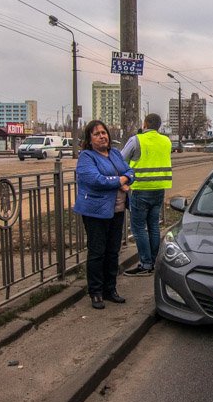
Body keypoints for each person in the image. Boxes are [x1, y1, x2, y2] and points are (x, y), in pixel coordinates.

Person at [73, 120, 134, 308]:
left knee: (113, 252)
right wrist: (120, 181)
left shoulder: (115, 153)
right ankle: (96, 292)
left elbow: (130, 171)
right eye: (97, 134)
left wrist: (126, 177)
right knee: (97, 252)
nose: (102, 136)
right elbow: (96, 180)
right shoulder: (86, 157)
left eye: (104, 132)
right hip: (96, 213)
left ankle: (110, 289)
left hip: (117, 210)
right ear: (89, 139)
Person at [120, 113, 173, 276]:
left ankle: (145, 264)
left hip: (141, 188)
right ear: (158, 126)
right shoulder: (166, 141)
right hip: (159, 189)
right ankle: (154, 262)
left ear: (145, 124)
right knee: (154, 226)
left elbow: (121, 159)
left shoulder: (137, 140)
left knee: (138, 228)